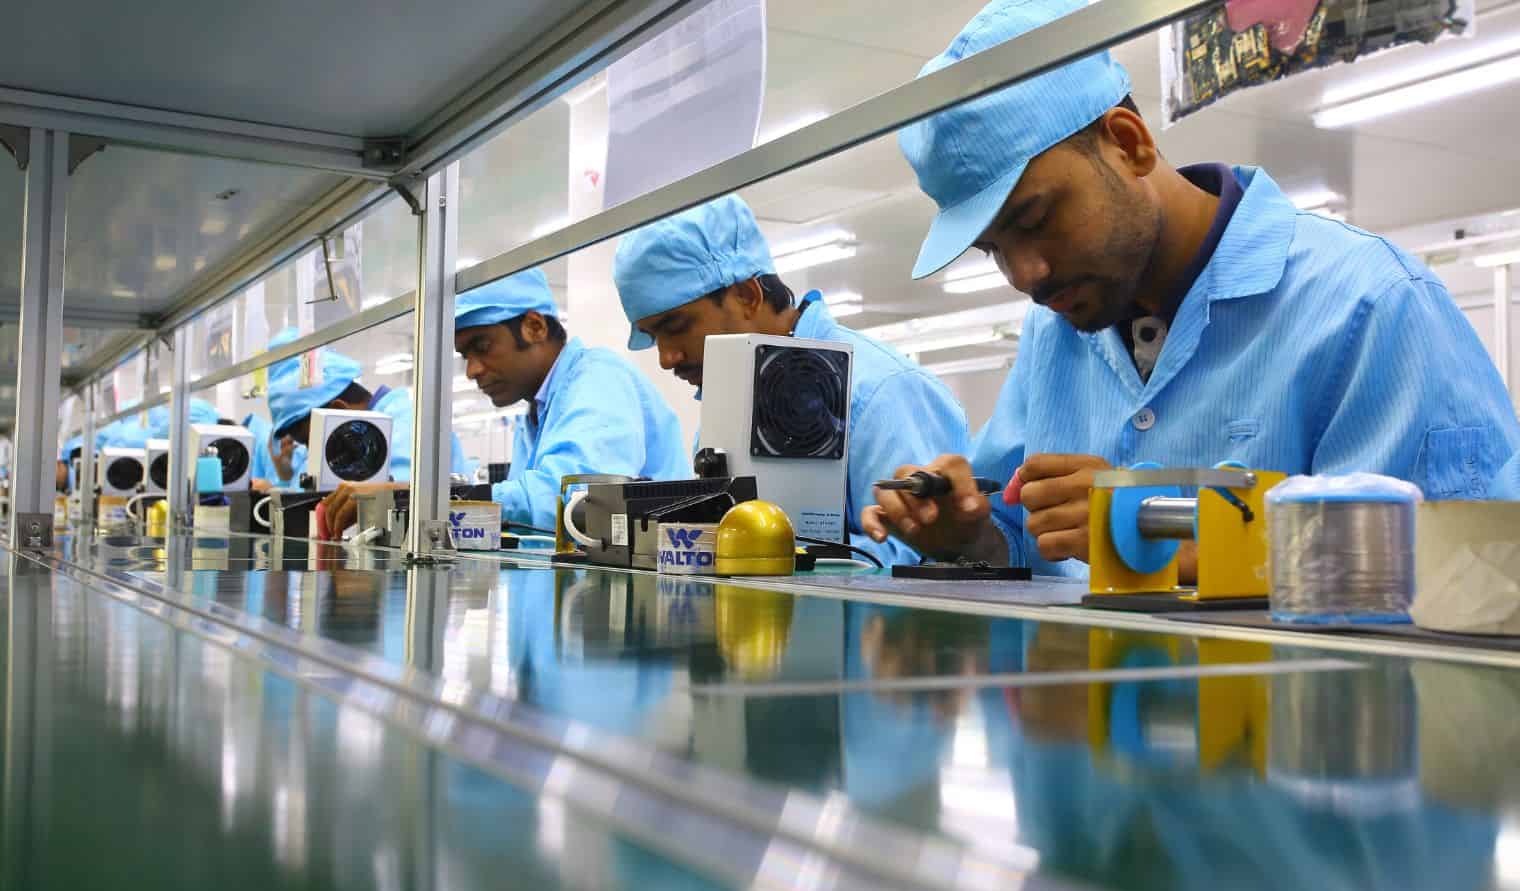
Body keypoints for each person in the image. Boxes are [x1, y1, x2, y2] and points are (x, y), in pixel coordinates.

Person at [862, 0, 1520, 578]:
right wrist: (969, 532)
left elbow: (1467, 575)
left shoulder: (1369, 303)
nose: (1026, 275)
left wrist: (1160, 530)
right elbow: (1029, 535)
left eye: (1036, 220)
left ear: (1128, 143)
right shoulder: (1055, 331)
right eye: (993, 250)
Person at [613, 195, 970, 566]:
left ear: (747, 296)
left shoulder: (883, 393)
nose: (666, 357)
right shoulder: (725, 409)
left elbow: (927, 561)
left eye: (676, 326)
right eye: (653, 337)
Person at [454, 267, 689, 530]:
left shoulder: (597, 376)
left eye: (482, 347)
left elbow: (581, 501)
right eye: (465, 356)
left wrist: (460, 499)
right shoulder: (534, 415)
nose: (471, 370)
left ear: (535, 327)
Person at [267, 337, 470, 535]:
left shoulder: (408, 424)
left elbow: (404, 504)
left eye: (309, 442)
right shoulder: (351, 445)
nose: (311, 453)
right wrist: (285, 480)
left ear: (339, 412)